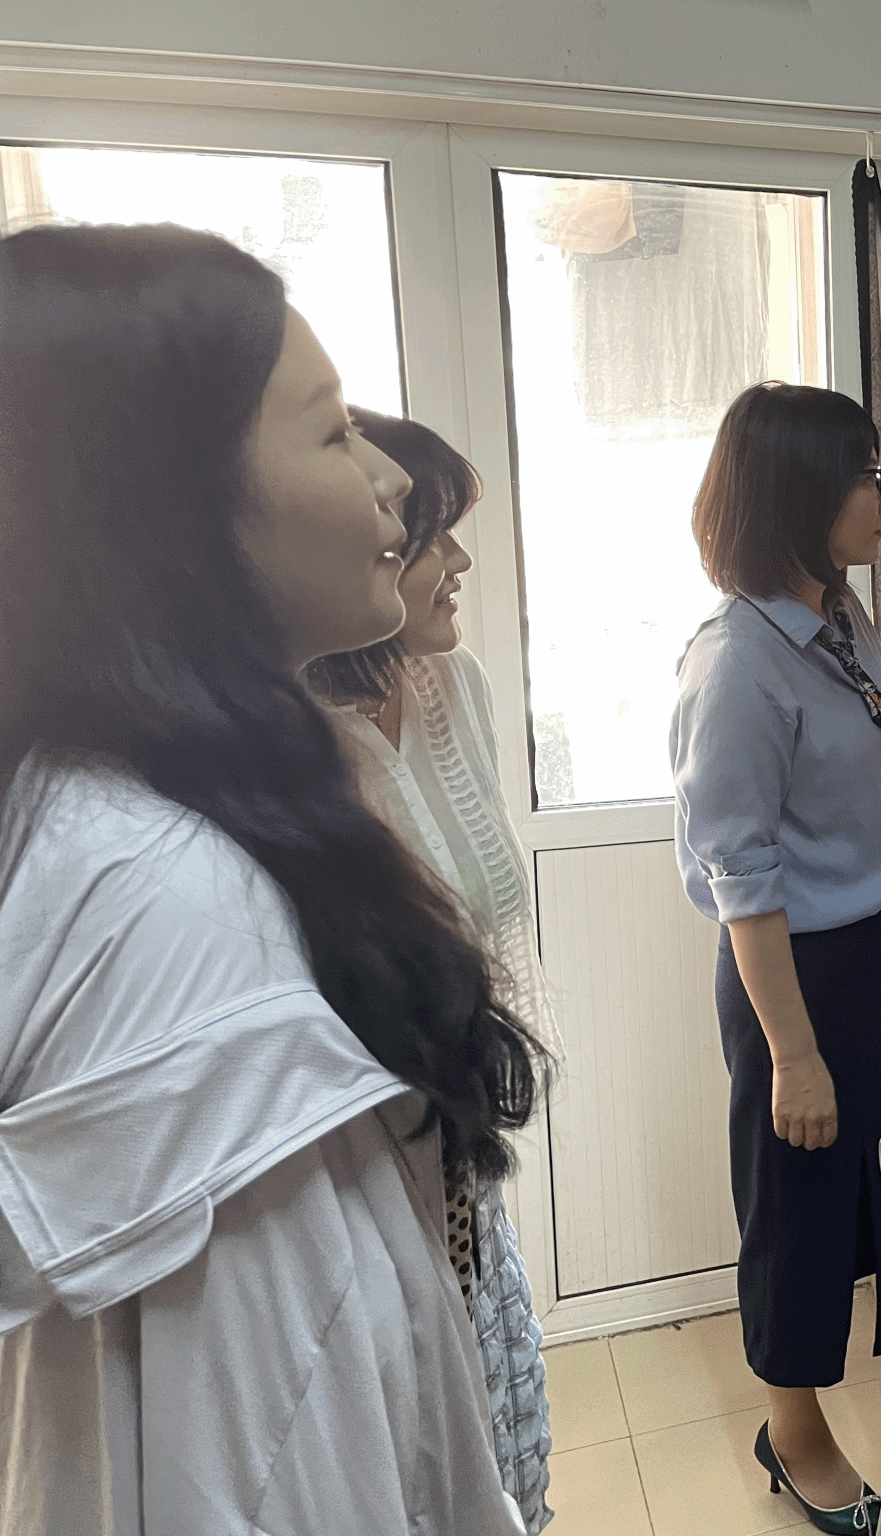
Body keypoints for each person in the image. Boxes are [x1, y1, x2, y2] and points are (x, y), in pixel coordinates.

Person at [0, 222, 537, 1536]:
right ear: (165, 509)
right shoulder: (174, 902)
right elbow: (284, 1441)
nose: (391, 484)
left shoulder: (142, 802)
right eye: (333, 432)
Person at [670, 381, 881, 1535]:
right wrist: (793, 1056)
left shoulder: (834, 617)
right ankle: (793, 1438)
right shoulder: (736, 665)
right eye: (864, 476)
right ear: (798, 493)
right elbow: (741, 883)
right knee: (797, 1215)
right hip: (795, 979)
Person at [307, 409, 561, 1534]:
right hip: (361, 1165)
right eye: (430, 534)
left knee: (495, 1427)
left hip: (460, 1139)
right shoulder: (293, 742)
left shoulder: (461, 688)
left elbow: (488, 911)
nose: (459, 560)